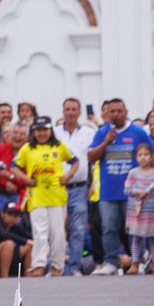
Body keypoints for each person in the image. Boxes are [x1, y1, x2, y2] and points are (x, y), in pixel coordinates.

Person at [89, 98, 154, 275]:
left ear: (126, 112)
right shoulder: (102, 132)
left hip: (133, 191)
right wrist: (106, 143)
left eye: (119, 111)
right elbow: (90, 157)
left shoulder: (138, 132)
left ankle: (138, 261)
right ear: (107, 114)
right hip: (108, 192)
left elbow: (152, 155)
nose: (115, 114)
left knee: (135, 228)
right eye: (112, 112)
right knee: (109, 228)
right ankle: (111, 262)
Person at [10, 116, 78, 277]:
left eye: (45, 130)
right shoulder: (27, 148)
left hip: (57, 195)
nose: (42, 133)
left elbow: (75, 161)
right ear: (34, 131)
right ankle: (38, 265)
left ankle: (57, 266)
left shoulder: (59, 146)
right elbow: (14, 166)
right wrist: (26, 179)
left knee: (58, 233)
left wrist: (68, 176)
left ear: (50, 130)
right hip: (37, 195)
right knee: (40, 232)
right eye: (38, 130)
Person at [55, 97, 97, 276]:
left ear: (79, 112)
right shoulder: (54, 133)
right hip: (57, 188)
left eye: (74, 109)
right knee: (57, 228)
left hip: (80, 187)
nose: (71, 112)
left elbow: (94, 162)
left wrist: (93, 185)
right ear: (63, 111)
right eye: (67, 109)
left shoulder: (89, 132)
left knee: (78, 228)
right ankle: (57, 266)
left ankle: (74, 266)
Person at [124, 143, 154, 274]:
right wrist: (137, 191)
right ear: (136, 157)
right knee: (136, 237)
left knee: (153, 237)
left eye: (146, 155)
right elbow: (127, 190)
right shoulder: (133, 173)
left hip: (152, 210)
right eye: (140, 155)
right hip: (137, 212)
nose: (143, 158)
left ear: (151, 157)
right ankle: (135, 263)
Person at [0, 201, 34, 278]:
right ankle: (4, 278)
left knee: (29, 245)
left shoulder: (15, 226)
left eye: (16, 215)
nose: (12, 218)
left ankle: (28, 277)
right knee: (8, 244)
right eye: (10, 214)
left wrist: (36, 242)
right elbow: (4, 235)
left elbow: (30, 236)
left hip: (11, 260)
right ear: (3, 213)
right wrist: (25, 241)